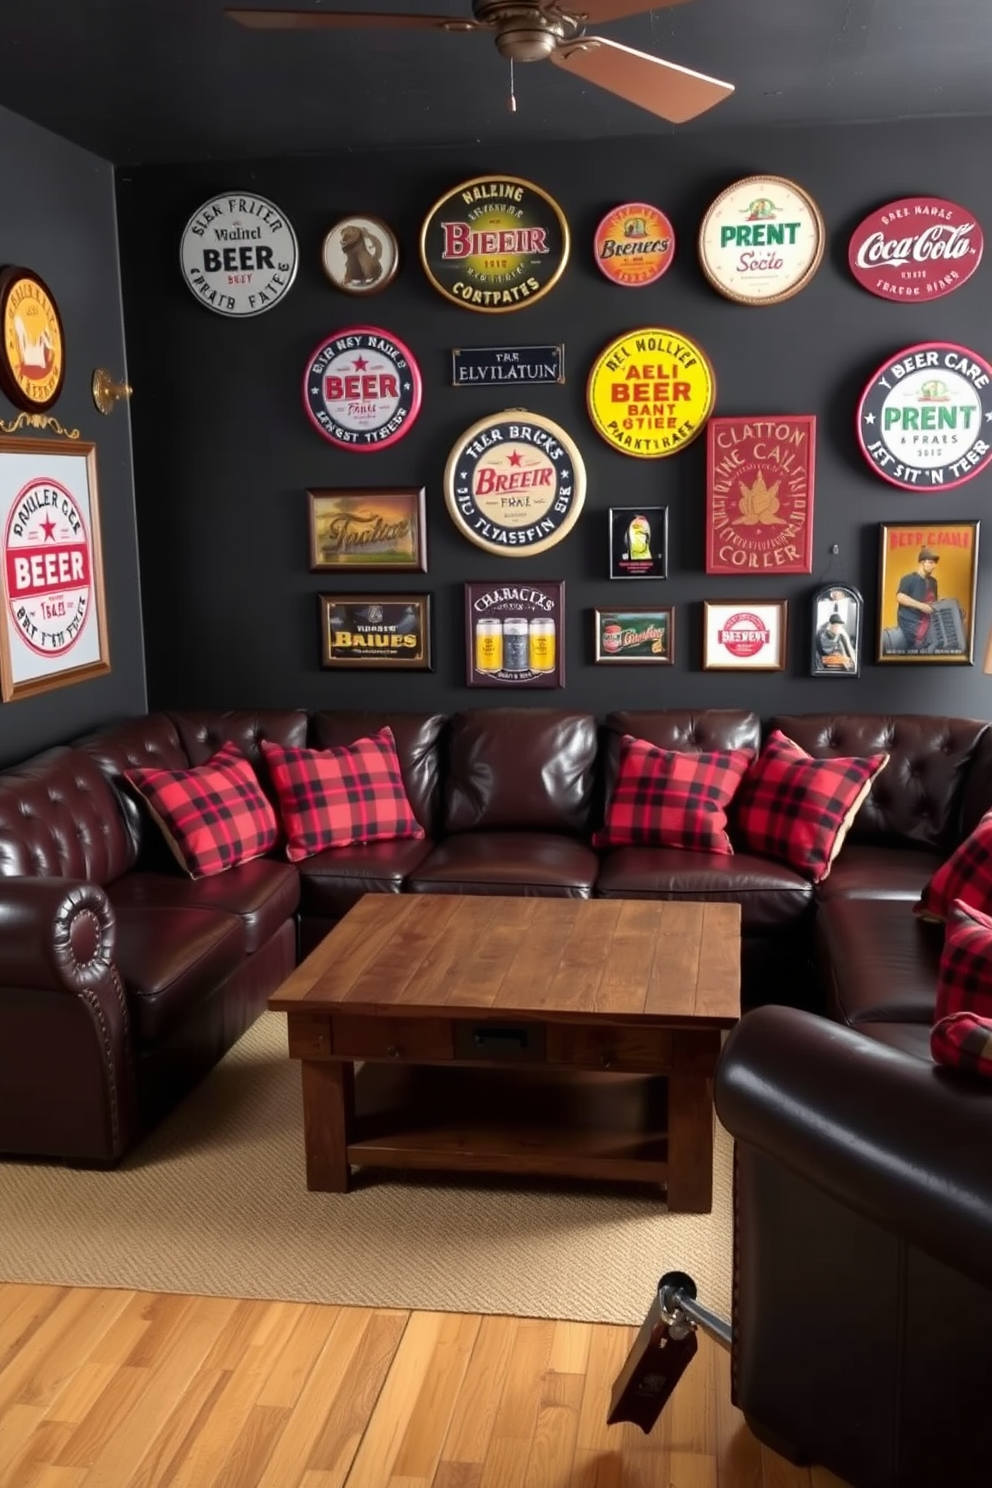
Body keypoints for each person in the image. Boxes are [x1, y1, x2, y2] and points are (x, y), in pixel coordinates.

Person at [896, 547, 939, 650]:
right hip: (910, 623)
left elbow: (933, 600)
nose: (933, 566)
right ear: (922, 562)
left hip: (928, 623)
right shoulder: (909, 579)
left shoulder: (933, 582)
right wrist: (920, 605)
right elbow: (900, 597)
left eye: (934, 563)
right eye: (930, 562)